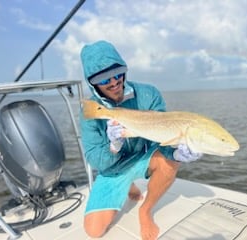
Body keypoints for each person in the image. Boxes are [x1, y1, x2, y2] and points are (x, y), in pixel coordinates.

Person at [79, 40, 202, 240]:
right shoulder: (90, 111)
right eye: (104, 80)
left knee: (171, 160)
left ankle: (145, 211)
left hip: (142, 156)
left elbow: (163, 136)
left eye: (118, 74)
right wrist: (114, 146)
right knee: (94, 231)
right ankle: (128, 185)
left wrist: (176, 152)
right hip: (113, 168)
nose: (114, 82)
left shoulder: (148, 93)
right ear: (92, 83)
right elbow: (94, 158)